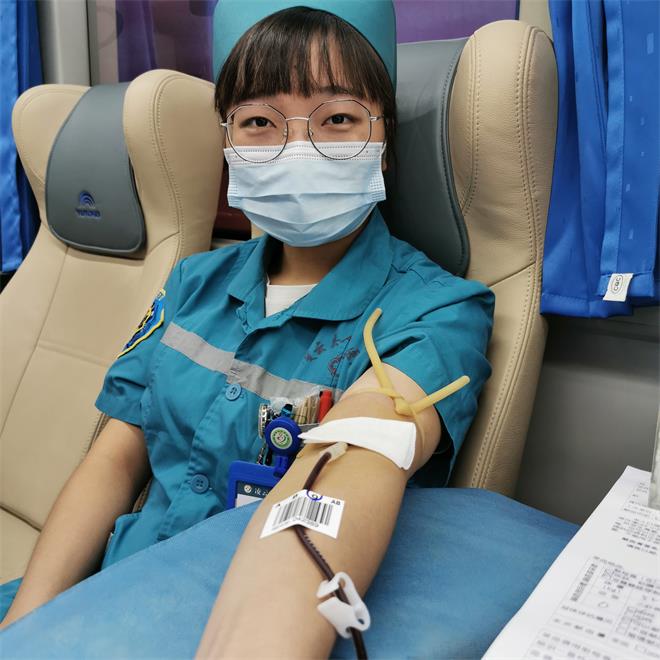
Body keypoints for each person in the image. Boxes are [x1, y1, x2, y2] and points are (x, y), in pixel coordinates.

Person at [0, 3, 494, 656]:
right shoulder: (192, 283)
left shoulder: (437, 311)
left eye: (338, 118)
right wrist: (25, 625)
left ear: (385, 142)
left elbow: (352, 466)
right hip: (105, 586)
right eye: (259, 121)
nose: (298, 148)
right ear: (228, 142)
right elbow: (115, 459)